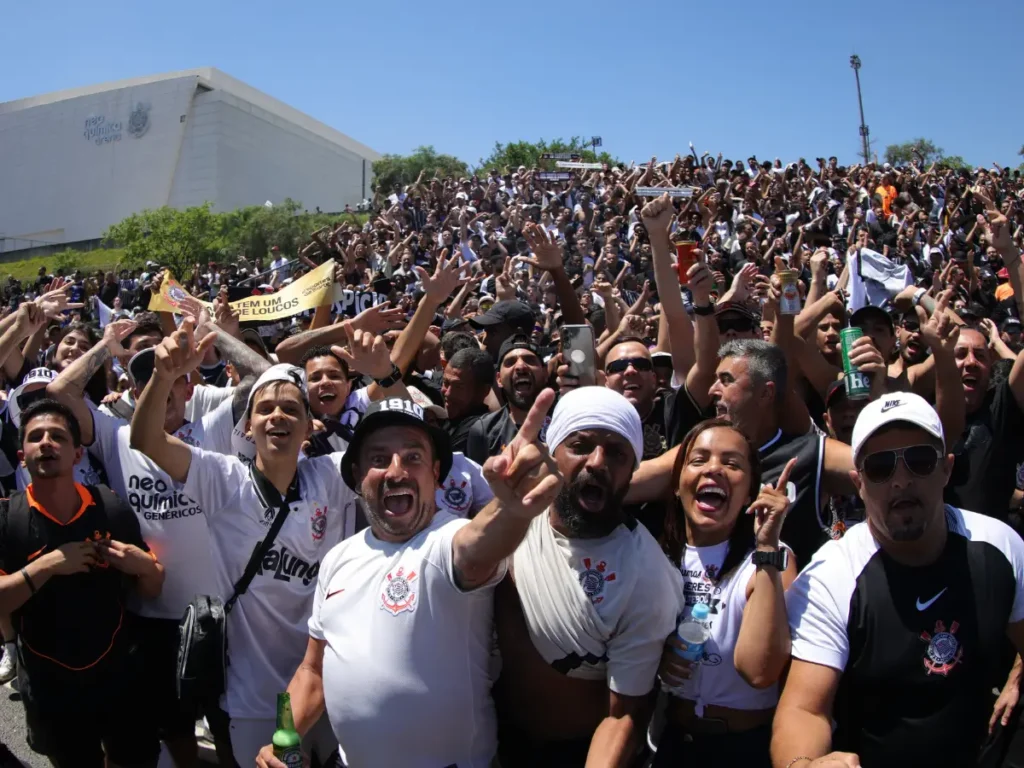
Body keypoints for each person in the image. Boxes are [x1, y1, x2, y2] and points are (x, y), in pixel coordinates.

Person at [255, 390, 563, 768]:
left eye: (413, 457)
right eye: (379, 459)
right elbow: (313, 670)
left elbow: (477, 544)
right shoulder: (338, 558)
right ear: (357, 475)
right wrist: (283, 737)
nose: (397, 471)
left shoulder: (446, 541)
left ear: (435, 473)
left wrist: (510, 510)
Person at [129, 322, 363, 766]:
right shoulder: (222, 479)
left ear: (310, 425)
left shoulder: (331, 475)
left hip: (329, 687)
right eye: (266, 409)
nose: (278, 416)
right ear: (249, 425)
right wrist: (162, 377)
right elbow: (145, 440)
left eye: (291, 409)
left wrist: (385, 374)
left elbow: (400, 450)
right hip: (252, 697)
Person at [773, 393, 1024, 768]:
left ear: (947, 469)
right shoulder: (832, 577)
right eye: (880, 467)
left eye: (920, 461)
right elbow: (804, 709)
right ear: (858, 483)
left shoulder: (1000, 546)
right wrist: (804, 763)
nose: (901, 481)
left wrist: (1017, 678)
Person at [494, 386, 684, 767]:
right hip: (490, 741)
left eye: (616, 453)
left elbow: (623, 714)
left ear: (633, 470)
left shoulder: (647, 577)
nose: (597, 462)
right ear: (552, 454)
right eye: (581, 445)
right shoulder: (510, 520)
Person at [0, 399, 164, 768]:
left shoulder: (110, 508)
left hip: (118, 675)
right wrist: (48, 566)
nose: (46, 443)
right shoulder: (7, 518)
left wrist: (148, 569)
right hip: (50, 684)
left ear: (77, 454)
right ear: (21, 456)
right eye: (35, 437)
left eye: (57, 436)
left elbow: (151, 589)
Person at [653, 419, 797, 766]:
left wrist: (766, 546)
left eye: (732, 464)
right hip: (672, 743)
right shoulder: (653, 555)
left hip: (741, 750)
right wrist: (657, 656)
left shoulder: (772, 558)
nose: (714, 469)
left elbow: (760, 671)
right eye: (699, 460)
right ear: (677, 484)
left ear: (750, 492)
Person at [465, 335, 550, 465]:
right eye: (510, 362)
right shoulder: (484, 431)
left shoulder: (565, 419)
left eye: (530, 360)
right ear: (499, 379)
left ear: (545, 373)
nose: (521, 366)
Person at [441, 347, 494, 453]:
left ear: (484, 391)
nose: (447, 393)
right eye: (446, 383)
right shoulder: (445, 418)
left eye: (459, 386)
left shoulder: (477, 430)